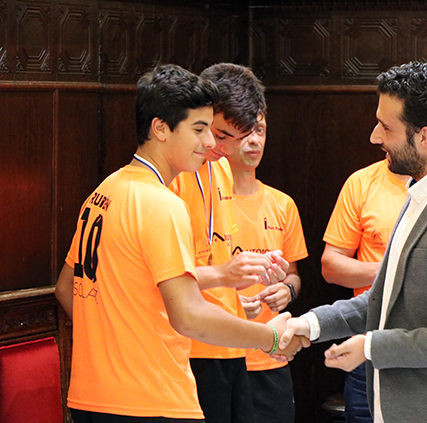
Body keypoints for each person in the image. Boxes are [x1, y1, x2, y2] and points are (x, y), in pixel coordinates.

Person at [54, 64, 306, 423]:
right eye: (200, 130)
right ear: (160, 128)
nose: (211, 144)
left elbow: (68, 288)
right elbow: (187, 315)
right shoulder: (161, 202)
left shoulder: (105, 190)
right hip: (150, 393)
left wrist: (115, 340)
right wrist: (270, 337)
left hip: (93, 393)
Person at [278, 61, 427, 423]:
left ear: (424, 136)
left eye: (386, 127)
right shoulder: (420, 190)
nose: (375, 137)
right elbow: (385, 298)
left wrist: (372, 346)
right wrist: (310, 324)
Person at [169, 63, 288, 423]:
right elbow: (166, 279)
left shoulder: (221, 168)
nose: (225, 148)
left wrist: (242, 294)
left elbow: (215, 253)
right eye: (221, 135)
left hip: (229, 344)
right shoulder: (172, 176)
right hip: (189, 346)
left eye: (239, 138)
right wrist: (223, 275)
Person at [226, 113, 308, 423]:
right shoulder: (206, 204)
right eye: (245, 132)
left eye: (260, 130)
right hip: (219, 353)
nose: (254, 140)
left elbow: (294, 276)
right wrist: (230, 301)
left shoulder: (282, 204)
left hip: (270, 357)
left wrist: (287, 290)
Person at [321, 158, 408, 423]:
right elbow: (331, 266)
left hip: (424, 339)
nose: (377, 139)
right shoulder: (361, 182)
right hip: (367, 338)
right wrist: (389, 271)